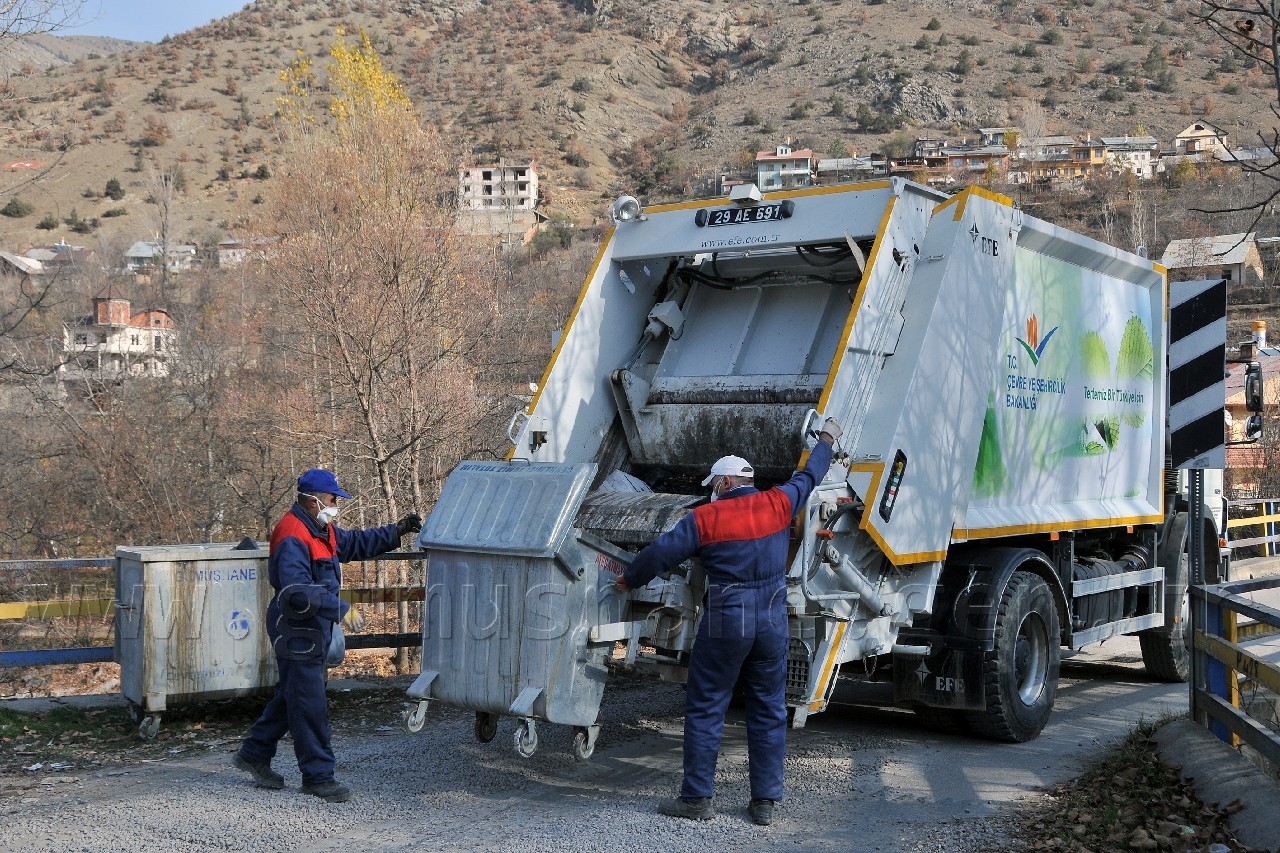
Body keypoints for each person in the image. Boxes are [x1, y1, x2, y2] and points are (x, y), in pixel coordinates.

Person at [615, 418, 842, 826]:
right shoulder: (780, 502)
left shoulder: (705, 519)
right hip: (772, 619)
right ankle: (765, 803)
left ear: (722, 483)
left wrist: (627, 579)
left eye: (712, 487)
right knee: (769, 709)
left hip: (727, 619)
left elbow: (659, 554)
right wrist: (826, 438)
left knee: (706, 706)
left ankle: (697, 799)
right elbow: (811, 473)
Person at [234, 468, 421, 803]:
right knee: (310, 704)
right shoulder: (292, 534)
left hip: (311, 627)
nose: (336, 505)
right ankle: (318, 778)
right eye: (333, 499)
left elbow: (355, 544)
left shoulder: (321, 530)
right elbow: (294, 589)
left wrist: (397, 531)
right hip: (296, 629)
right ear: (313, 500)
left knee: (293, 695)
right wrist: (340, 608)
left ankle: (254, 753)